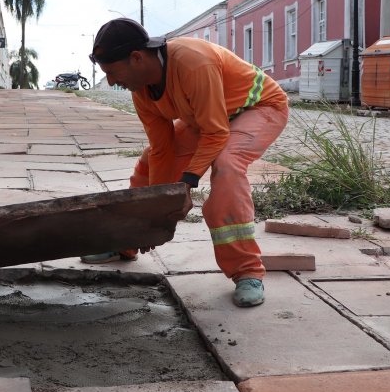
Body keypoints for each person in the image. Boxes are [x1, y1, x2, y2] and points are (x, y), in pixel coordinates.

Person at [82, 18, 288, 308]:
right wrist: (157, 211)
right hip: (208, 120)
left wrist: (186, 185)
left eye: (113, 72)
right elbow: (162, 149)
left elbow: (216, 134)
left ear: (137, 58)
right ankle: (127, 241)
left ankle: (247, 272)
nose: (112, 82)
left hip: (258, 108)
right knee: (146, 164)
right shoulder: (141, 90)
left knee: (227, 165)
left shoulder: (193, 63)